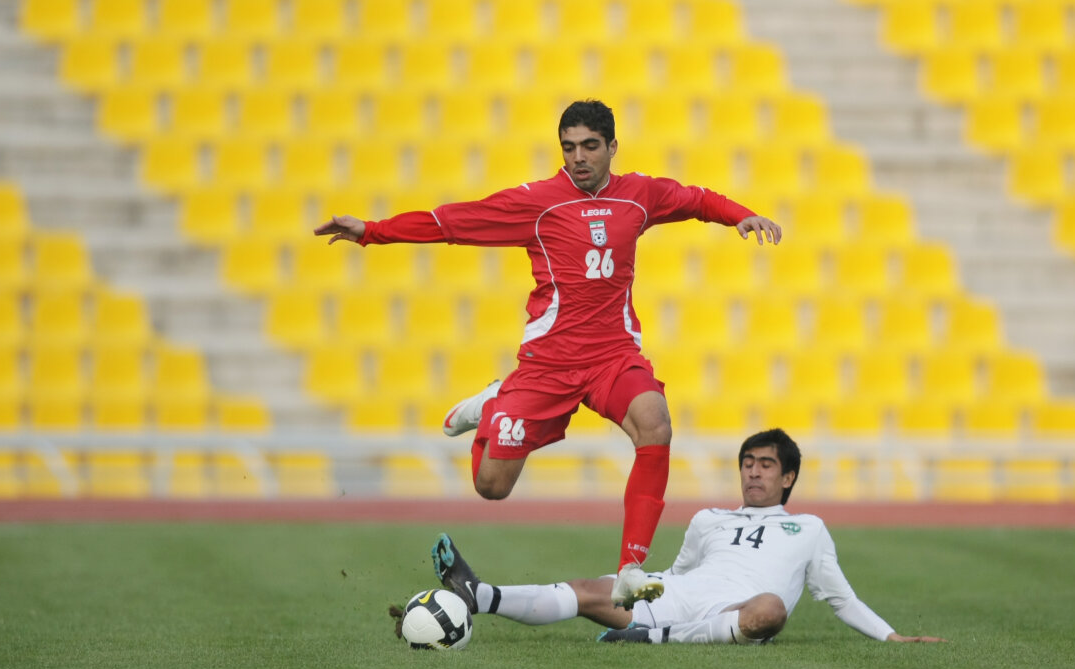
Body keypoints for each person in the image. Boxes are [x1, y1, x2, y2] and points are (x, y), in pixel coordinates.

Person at [315, 99, 782, 609]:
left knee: (656, 424)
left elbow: (695, 199)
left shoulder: (639, 196)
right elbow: (454, 222)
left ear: (612, 147)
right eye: (568, 147)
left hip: (612, 356)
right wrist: (373, 232)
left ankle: (630, 569)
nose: (578, 157)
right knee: (492, 486)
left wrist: (742, 216)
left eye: (589, 146)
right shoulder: (538, 202)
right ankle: (493, 405)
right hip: (548, 365)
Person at [427, 428, 947, 645]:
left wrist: (891, 637)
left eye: (766, 465)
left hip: (740, 611)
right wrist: (636, 586)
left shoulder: (809, 528)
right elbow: (676, 575)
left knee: (770, 610)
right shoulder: (708, 518)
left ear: (788, 477)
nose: (754, 472)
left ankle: (654, 638)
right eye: (748, 463)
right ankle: (480, 595)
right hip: (682, 598)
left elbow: (840, 598)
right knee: (588, 589)